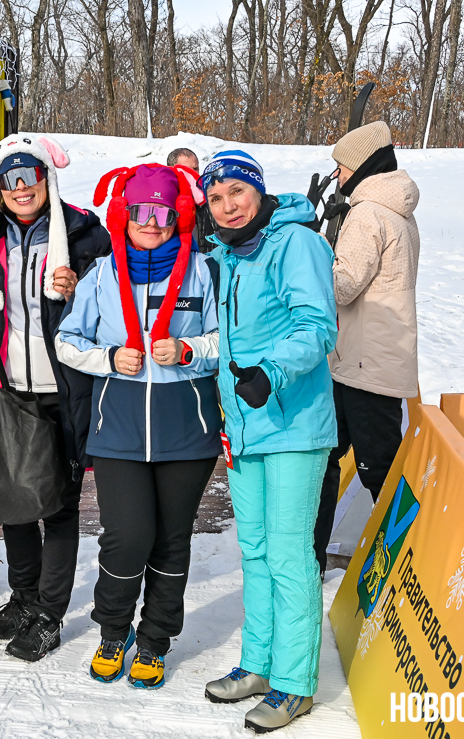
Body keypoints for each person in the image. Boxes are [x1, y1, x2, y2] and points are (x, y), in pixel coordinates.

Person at [56, 163, 221, 689]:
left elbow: (229, 341)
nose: (151, 222)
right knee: (126, 538)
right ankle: (113, 630)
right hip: (119, 427)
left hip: (186, 430)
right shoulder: (102, 274)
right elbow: (67, 341)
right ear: (124, 215)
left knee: (171, 541)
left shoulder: (203, 270)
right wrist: (108, 357)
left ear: (179, 217)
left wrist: (190, 349)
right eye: (141, 211)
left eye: (163, 213)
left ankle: (154, 640)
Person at [198, 150, 337, 731]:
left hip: (292, 424)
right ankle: (257, 665)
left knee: (287, 554)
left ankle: (295, 684)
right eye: (216, 198)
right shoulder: (226, 255)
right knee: (253, 551)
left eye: (237, 192)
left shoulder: (296, 243)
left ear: (258, 191)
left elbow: (317, 325)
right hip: (244, 427)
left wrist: (271, 372)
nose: (228, 206)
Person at [0, 133, 110, 661]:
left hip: (63, 390)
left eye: (29, 176)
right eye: (10, 180)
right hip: (11, 387)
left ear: (47, 178)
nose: (21, 188)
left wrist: (81, 288)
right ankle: (24, 596)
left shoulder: (83, 233)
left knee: (59, 506)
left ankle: (50, 613)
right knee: (17, 502)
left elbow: (112, 307)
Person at [313, 121, 420, 576]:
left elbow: (342, 285)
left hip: (364, 362)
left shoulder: (367, 214)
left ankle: (406, 567)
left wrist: (316, 250)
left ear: (360, 167)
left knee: (379, 469)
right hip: (374, 355)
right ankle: (313, 557)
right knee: (327, 455)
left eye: (341, 168)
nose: (337, 177)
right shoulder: (398, 209)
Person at [168, 147, 215, 254]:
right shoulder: (165, 202)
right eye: (186, 170)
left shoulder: (209, 198)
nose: (193, 174)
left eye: (195, 169)